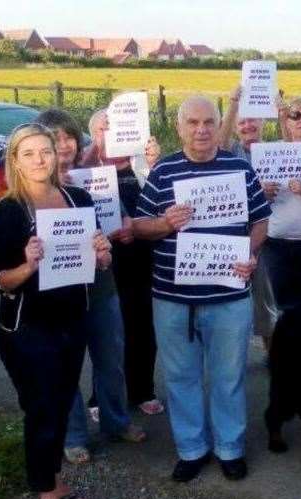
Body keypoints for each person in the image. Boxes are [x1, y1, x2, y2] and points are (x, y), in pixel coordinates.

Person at [133, 96, 270, 482]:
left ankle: (230, 447)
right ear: (179, 128)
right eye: (192, 122)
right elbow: (137, 226)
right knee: (180, 376)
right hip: (173, 298)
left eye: (209, 122)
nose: (202, 130)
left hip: (228, 296)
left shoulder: (239, 168)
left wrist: (250, 250)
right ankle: (191, 449)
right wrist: (165, 223)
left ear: (217, 124)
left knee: (229, 376)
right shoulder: (162, 171)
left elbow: (261, 221)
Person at [0, 123, 112, 499]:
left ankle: (53, 479)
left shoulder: (78, 198)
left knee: (60, 405)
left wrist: (103, 252)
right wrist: (28, 264)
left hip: (71, 320)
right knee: (41, 409)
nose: (40, 160)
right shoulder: (9, 210)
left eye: (46, 151)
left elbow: (95, 265)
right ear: (15, 161)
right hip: (27, 329)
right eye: (30, 153)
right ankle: (45, 496)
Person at [34, 109, 147, 467]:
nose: (62, 145)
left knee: (110, 359)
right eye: (54, 139)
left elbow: (115, 220)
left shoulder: (92, 180)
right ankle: (75, 436)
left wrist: (113, 236)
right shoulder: (31, 187)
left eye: (68, 137)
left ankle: (116, 422)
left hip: (100, 286)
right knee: (66, 365)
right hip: (57, 294)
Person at [82, 109, 165, 417]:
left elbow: (164, 204)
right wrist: (95, 149)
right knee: (107, 331)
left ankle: (143, 389)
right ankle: (99, 397)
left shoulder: (143, 165)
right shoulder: (86, 168)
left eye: (117, 126)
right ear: (94, 135)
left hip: (143, 258)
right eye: (105, 128)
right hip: (105, 263)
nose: (113, 133)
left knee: (143, 327)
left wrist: (155, 162)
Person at [216, 89, 281, 348]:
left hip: (267, 233)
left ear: (264, 122)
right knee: (232, 294)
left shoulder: (273, 149)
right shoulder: (230, 151)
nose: (247, 125)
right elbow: (218, 143)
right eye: (241, 122)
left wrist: (282, 112)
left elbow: (294, 151)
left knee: (266, 298)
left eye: (252, 119)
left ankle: (271, 353)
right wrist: (232, 104)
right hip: (234, 233)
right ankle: (232, 352)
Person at [259, 96, 301, 310]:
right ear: (286, 121)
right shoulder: (271, 152)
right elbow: (253, 198)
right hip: (277, 245)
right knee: (281, 309)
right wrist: (262, 192)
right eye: (295, 115)